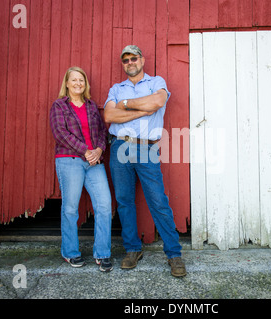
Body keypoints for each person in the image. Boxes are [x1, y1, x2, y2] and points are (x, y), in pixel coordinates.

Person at [104, 45, 186, 277]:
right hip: (119, 145)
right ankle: (132, 249)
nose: (130, 62)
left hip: (147, 148)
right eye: (126, 60)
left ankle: (174, 254)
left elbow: (157, 103)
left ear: (142, 59)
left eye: (134, 58)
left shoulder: (155, 82)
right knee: (124, 201)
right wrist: (141, 109)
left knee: (158, 200)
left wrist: (126, 105)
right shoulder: (116, 88)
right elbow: (110, 116)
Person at [50, 66, 113, 272]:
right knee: (70, 208)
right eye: (74, 80)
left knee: (104, 205)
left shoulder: (92, 106)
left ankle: (102, 253)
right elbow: (60, 133)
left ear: (85, 84)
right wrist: (85, 150)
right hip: (70, 160)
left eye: (81, 80)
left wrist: (99, 150)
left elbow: (103, 133)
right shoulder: (59, 106)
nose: (78, 83)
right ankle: (70, 252)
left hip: (94, 162)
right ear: (66, 83)